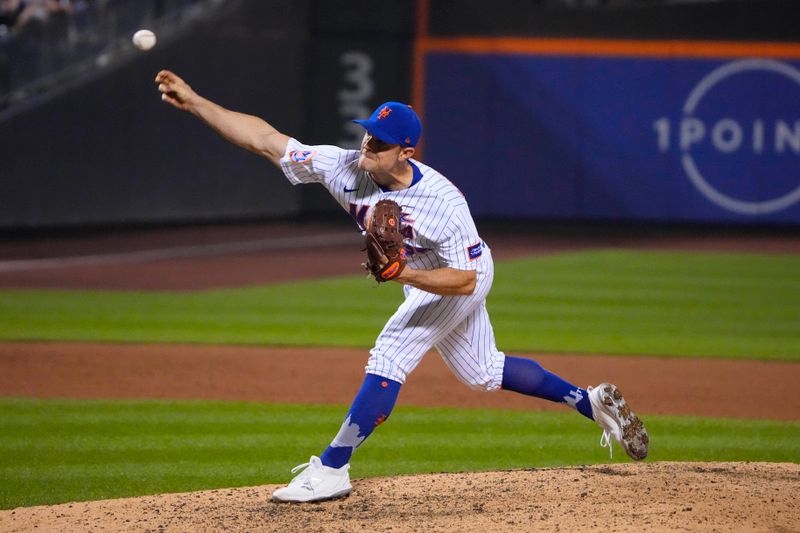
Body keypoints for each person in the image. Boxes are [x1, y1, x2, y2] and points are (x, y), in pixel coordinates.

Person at [155, 69, 649, 503]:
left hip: (456, 276)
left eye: (379, 142)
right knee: (482, 371)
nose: (366, 146)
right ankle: (589, 401)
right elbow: (264, 138)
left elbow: (466, 279)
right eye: (367, 135)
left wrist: (405, 275)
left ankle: (330, 468)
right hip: (423, 276)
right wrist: (197, 102)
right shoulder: (344, 166)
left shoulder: (444, 203)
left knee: (390, 352)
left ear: (406, 152)